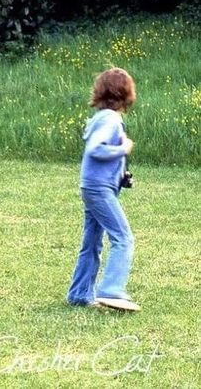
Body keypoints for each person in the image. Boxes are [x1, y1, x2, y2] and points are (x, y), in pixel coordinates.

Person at [67, 67, 140, 311]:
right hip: (99, 190)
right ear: (126, 93)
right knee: (123, 238)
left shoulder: (100, 117)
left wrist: (120, 176)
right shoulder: (111, 119)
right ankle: (111, 289)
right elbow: (96, 149)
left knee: (92, 242)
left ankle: (79, 293)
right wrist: (124, 149)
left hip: (94, 186)